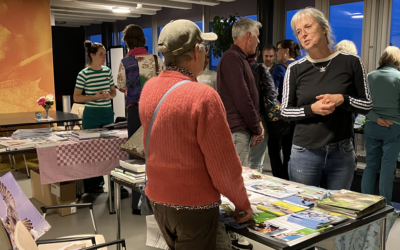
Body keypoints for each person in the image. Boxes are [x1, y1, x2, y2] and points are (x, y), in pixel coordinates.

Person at [139, 19, 252, 250]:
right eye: (205, 48)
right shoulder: (203, 96)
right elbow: (223, 165)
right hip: (194, 208)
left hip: (159, 201)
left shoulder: (149, 88)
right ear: (195, 51)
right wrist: (242, 202)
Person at [281, 8, 372, 190]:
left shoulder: (351, 62)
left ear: (324, 28)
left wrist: (342, 99)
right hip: (304, 153)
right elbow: (284, 111)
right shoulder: (295, 69)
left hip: (341, 152)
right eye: (299, 31)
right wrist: (311, 109)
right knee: (303, 211)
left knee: (339, 213)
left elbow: (366, 104)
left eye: (308, 26)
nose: (303, 34)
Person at [116, 24, 165, 212]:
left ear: (127, 42)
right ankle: (158, 198)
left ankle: (138, 203)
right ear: (143, 40)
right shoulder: (156, 59)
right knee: (156, 152)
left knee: (136, 153)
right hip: (156, 110)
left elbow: (121, 86)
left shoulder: (125, 62)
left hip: (136, 110)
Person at [218, 18, 264, 168]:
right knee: (237, 182)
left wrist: (256, 124)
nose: (258, 42)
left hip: (241, 130)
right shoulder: (232, 58)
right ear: (249, 36)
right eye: (257, 37)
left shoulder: (240, 58)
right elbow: (242, 98)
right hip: (237, 131)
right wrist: (256, 127)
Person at [74, 40, 117, 193]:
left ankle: (114, 183)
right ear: (92, 55)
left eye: (105, 54)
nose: (104, 57)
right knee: (90, 149)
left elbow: (114, 92)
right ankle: (94, 183)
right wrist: (95, 97)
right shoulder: (83, 74)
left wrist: (108, 96)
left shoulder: (107, 71)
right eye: (101, 54)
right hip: (91, 114)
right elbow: (77, 97)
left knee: (110, 149)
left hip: (107, 113)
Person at [361, 46, 400, 206]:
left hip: (371, 125)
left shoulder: (369, 77)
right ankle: (385, 205)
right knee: (387, 168)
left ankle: (365, 205)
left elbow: (362, 105)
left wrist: (376, 118)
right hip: (394, 127)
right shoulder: (399, 78)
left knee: (370, 166)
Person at [267, 40, 300, 180]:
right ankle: (289, 180)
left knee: (273, 149)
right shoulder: (301, 66)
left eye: (278, 49)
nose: (276, 53)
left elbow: (271, 93)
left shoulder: (280, 68)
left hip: (282, 118)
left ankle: (279, 179)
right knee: (289, 153)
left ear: (286, 51)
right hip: (298, 118)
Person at [248, 47, 277, 173]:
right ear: (259, 54)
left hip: (238, 119)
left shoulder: (235, 67)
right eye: (266, 56)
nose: (268, 59)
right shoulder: (260, 69)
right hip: (259, 116)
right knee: (255, 161)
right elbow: (272, 95)